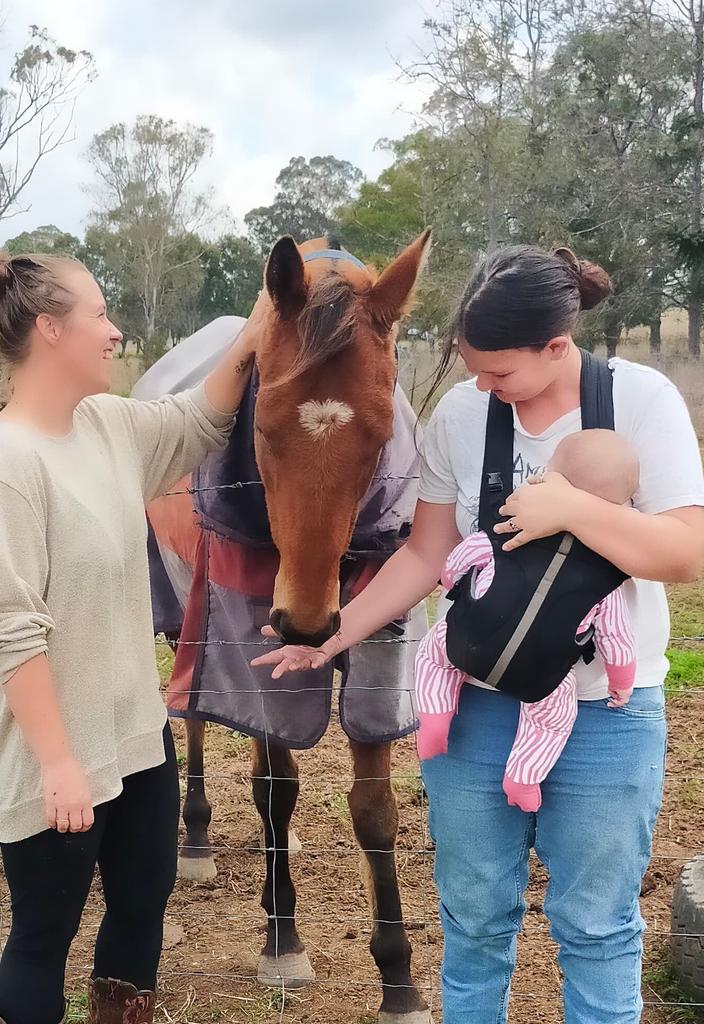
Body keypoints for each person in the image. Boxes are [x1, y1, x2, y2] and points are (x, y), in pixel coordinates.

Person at [252, 245, 704, 1023]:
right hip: (475, 710)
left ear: (558, 347)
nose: (482, 388)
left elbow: (684, 554)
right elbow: (426, 553)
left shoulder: (642, 400)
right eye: (473, 369)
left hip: (606, 716)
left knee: (597, 925)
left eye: (500, 374)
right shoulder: (464, 415)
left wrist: (575, 509)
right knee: (473, 923)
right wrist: (333, 633)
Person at [0, 247, 265, 1024]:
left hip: (135, 740)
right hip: (56, 759)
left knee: (139, 914)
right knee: (43, 937)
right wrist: (58, 764)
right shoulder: (4, 464)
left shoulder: (107, 425)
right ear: (51, 329)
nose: (115, 331)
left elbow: (197, 419)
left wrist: (259, 324)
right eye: (100, 314)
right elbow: (6, 628)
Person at [415, 429, 639, 814]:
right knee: (552, 720)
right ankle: (524, 776)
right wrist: (621, 680)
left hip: (468, 639)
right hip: (542, 672)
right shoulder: (606, 570)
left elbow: (457, 563)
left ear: (550, 480)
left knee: (433, 656)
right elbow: (616, 636)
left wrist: (455, 584)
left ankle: (434, 719)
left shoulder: (509, 531)